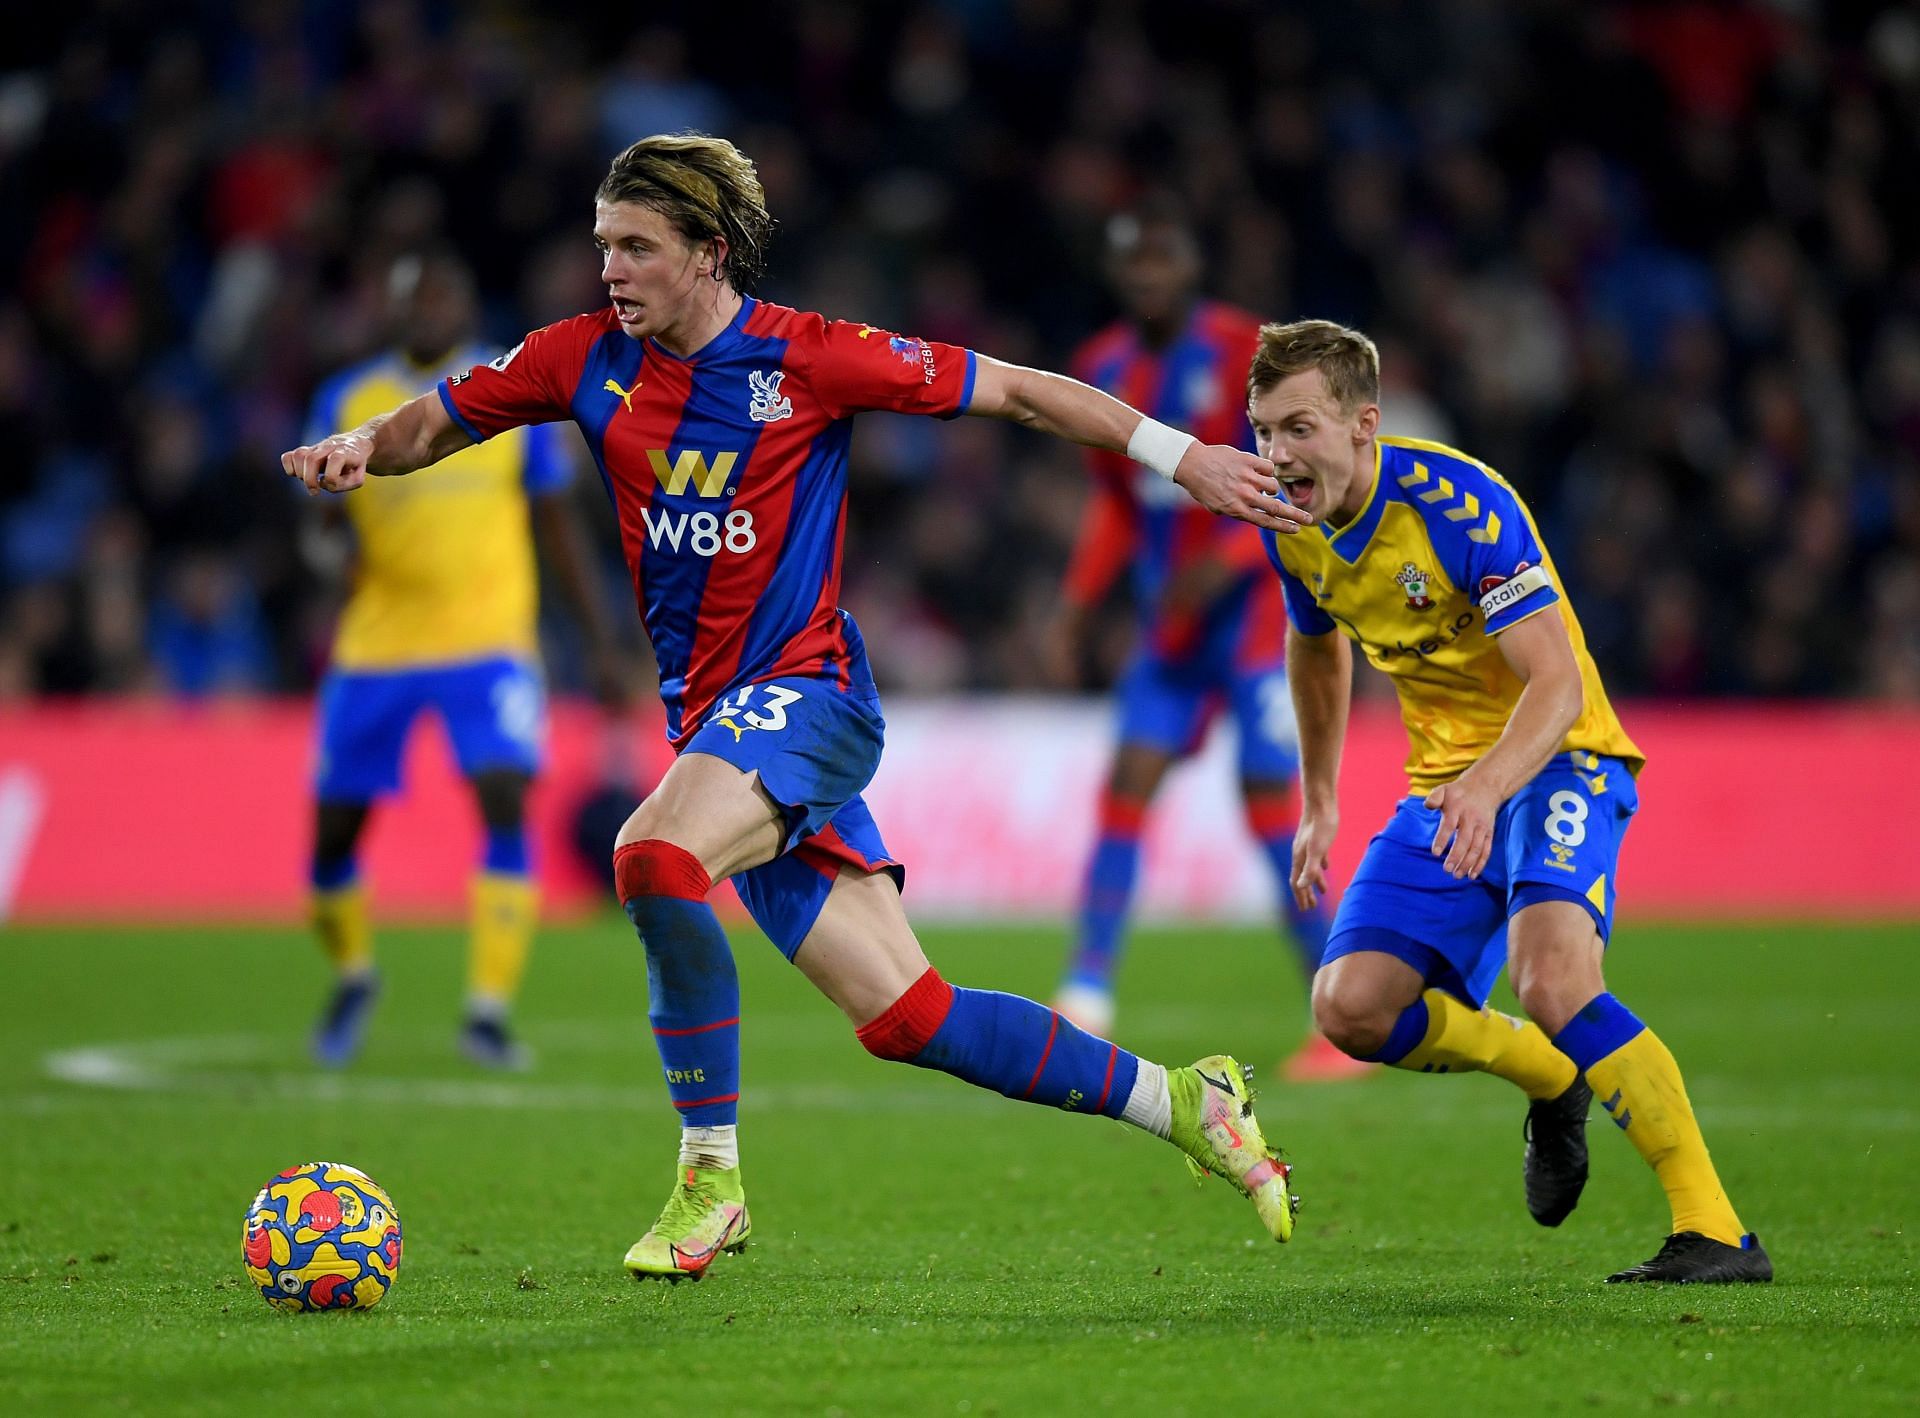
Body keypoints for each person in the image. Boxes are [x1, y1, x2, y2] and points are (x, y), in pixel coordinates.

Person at [283, 134, 1313, 1280]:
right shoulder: (577, 360)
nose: (611, 270)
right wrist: (359, 445)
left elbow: (1022, 391)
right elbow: (434, 420)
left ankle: (709, 1179)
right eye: (602, 246)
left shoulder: (813, 357)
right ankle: (1185, 1101)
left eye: (638, 247)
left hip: (809, 697)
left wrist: (1187, 459)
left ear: (709, 253)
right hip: (717, 726)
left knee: (654, 855)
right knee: (909, 1017)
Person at [1250, 319, 1769, 1284]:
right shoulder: (1291, 528)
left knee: (1554, 979)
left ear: (1365, 424)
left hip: (1559, 757)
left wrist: (1490, 787)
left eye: (1299, 429)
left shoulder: (1459, 503)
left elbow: (1557, 680)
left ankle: (1716, 1229)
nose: (1277, 456)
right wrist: (1319, 795)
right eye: (1263, 431)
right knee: (1350, 1009)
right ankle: (1546, 1073)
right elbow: (1313, 641)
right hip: (1450, 786)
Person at [1046, 200, 1359, 1082]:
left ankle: (1342, 1007)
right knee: (1127, 784)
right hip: (1169, 631)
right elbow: (1114, 503)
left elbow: (1292, 475)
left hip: (1258, 618)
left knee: (1268, 796)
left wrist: (1224, 560)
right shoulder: (1101, 367)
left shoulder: (1245, 353)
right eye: (1134, 264)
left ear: (1190, 262)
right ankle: (1086, 992)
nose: (1149, 278)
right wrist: (1078, 602)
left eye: (1163, 259)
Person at [302, 249, 630, 1071]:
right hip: (378, 641)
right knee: (336, 829)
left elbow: (556, 525)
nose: (431, 311)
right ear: (394, 309)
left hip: (490, 642)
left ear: (463, 307)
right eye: (417, 298)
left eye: (444, 297)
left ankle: (486, 1010)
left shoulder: (503, 389)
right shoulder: (350, 401)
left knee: (503, 799)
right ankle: (351, 975)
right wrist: (325, 536)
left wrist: (599, 643)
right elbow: (317, 529)